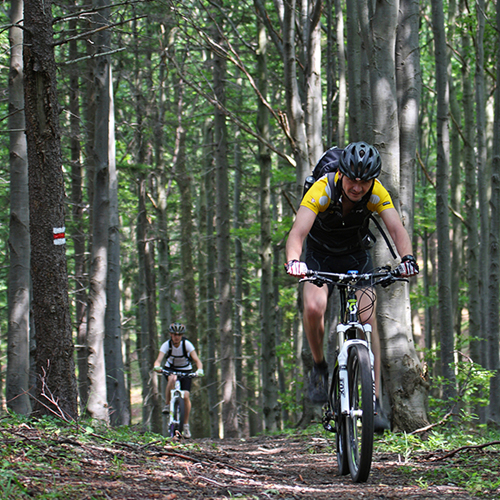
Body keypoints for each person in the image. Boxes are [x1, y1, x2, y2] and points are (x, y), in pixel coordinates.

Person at [284, 141, 419, 433]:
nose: (358, 188)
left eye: (365, 182)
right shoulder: (321, 189)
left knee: (367, 320)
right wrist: (295, 261)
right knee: (313, 307)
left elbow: (396, 228)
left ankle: (375, 401)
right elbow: (298, 231)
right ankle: (319, 367)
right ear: (341, 173)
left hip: (356, 255)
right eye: (352, 180)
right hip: (319, 255)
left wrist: (407, 259)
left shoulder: (376, 193)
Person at [153, 322, 204, 438]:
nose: (176, 337)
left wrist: (199, 370)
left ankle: (185, 425)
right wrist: (157, 367)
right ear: (170, 335)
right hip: (170, 368)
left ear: (182, 336)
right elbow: (158, 359)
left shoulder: (187, 344)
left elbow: (197, 360)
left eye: (179, 335)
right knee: (172, 378)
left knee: (186, 396)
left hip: (186, 370)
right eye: (174, 334)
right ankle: (167, 404)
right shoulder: (167, 345)